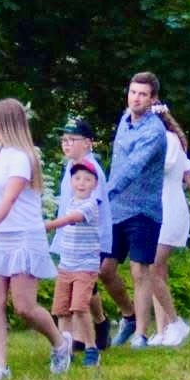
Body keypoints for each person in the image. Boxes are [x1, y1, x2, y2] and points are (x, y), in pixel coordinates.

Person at [0, 98, 71, 378]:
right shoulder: (0, 154)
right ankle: (0, 364)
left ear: (6, 122)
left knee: (24, 306)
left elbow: (10, 197)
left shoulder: (21, 157)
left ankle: (60, 343)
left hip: (23, 236)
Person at [100, 73, 169, 349]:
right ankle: (128, 316)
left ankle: (141, 334)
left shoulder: (154, 132)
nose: (136, 98)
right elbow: (117, 164)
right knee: (104, 270)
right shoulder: (124, 120)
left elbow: (132, 167)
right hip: (115, 209)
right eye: (133, 92)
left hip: (143, 210)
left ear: (153, 100)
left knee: (140, 271)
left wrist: (103, 194)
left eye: (142, 94)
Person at [58, 117, 122, 349]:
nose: (66, 144)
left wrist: (57, 224)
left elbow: (92, 205)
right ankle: (99, 323)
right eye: (63, 140)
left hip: (90, 236)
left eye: (72, 140)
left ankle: (85, 335)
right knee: (84, 284)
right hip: (71, 236)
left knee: (82, 283)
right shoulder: (70, 167)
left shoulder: (90, 170)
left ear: (88, 143)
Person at [143, 103, 190, 347]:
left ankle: (176, 322)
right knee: (158, 270)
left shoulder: (169, 139)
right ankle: (163, 328)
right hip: (156, 207)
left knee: (152, 267)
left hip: (170, 207)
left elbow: (165, 168)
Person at [45, 157, 107, 368]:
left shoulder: (91, 205)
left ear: (95, 184)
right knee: (62, 310)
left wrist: (49, 225)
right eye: (77, 178)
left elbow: (72, 219)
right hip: (66, 265)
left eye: (87, 179)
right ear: (71, 182)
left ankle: (91, 348)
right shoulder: (71, 202)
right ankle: (66, 349)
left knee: (80, 307)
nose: (81, 183)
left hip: (85, 266)